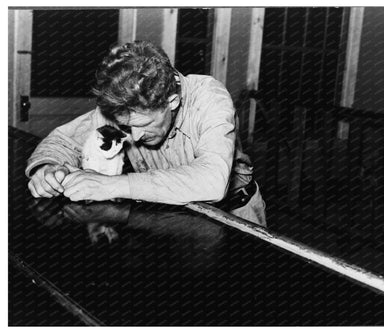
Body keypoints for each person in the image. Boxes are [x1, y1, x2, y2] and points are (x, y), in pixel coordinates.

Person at [26, 40, 266, 226]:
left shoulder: (210, 97)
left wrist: (111, 185)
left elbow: (212, 181)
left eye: (143, 125)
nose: (135, 137)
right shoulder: (123, 107)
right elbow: (63, 141)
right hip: (168, 216)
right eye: (127, 127)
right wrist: (46, 169)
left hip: (234, 214)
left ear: (172, 101)